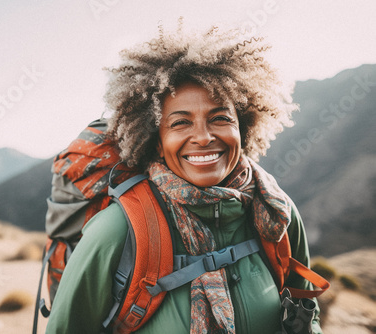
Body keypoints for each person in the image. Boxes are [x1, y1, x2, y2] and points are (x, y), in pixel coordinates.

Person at [45, 24, 323, 334]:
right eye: (180, 123)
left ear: (242, 127)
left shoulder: (276, 213)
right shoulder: (117, 232)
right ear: (156, 142)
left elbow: (305, 319)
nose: (203, 138)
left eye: (220, 118)